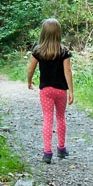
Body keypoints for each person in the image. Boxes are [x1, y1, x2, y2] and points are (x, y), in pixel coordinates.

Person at [26, 17, 74, 164]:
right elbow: (68, 72)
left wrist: (29, 81)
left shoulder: (38, 51)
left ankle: (47, 152)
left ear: (43, 33)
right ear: (58, 33)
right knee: (60, 118)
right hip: (61, 91)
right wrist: (71, 91)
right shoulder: (64, 51)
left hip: (46, 90)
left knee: (47, 119)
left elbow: (30, 69)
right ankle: (61, 148)